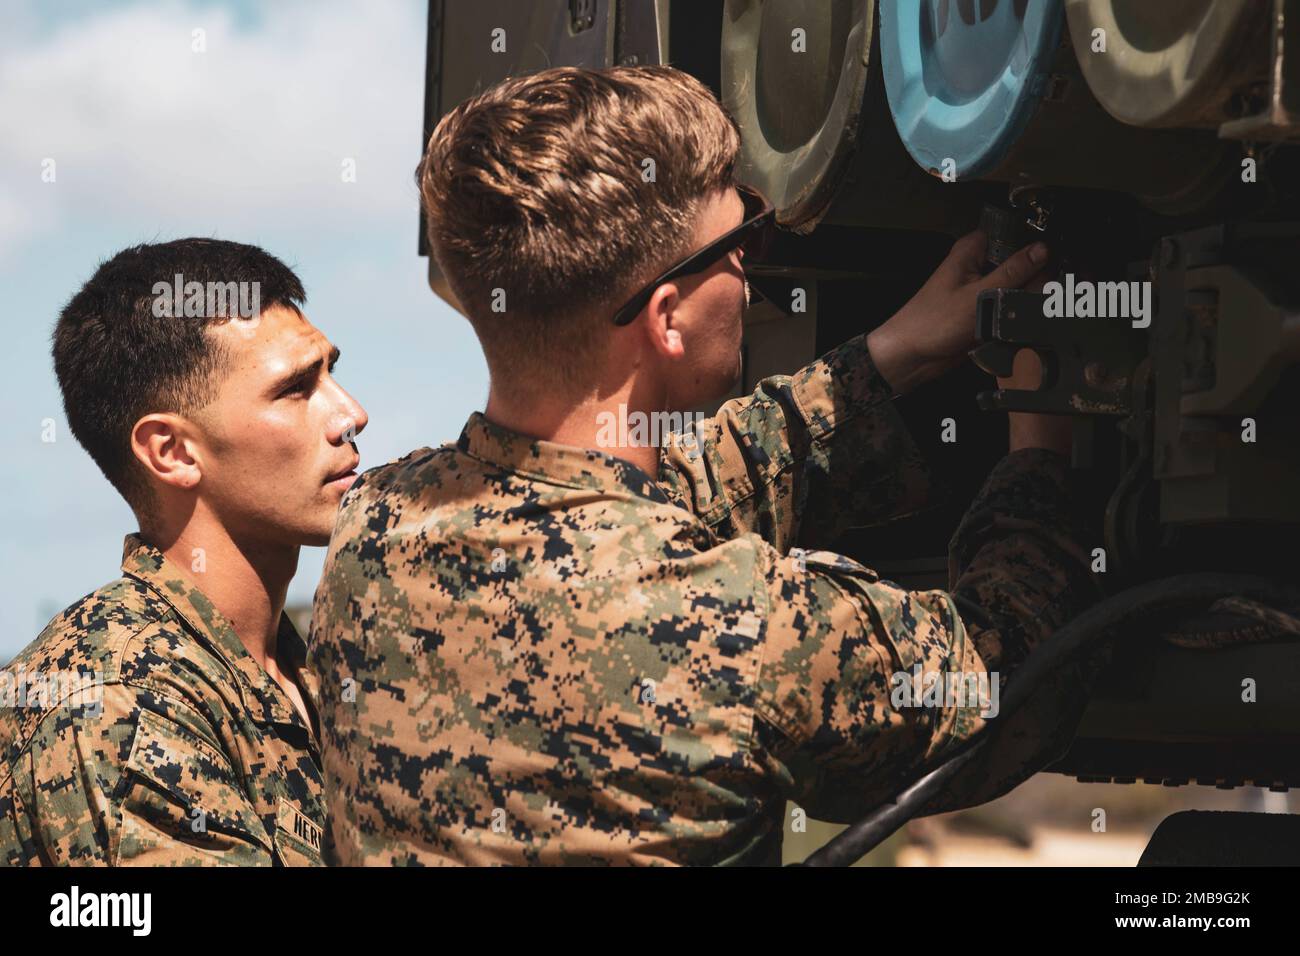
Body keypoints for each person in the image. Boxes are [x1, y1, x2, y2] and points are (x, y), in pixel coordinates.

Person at [309, 65, 1098, 865]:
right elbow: (1012, 670)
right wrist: (1040, 433)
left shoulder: (373, 527)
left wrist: (890, 354)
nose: (747, 274)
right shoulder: (749, 625)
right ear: (667, 319)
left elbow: (649, 505)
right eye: (737, 244)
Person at [0, 239, 368, 865]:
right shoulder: (117, 699)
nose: (351, 415)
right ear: (172, 451)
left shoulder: (302, 668)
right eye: (295, 389)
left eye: (331, 372)